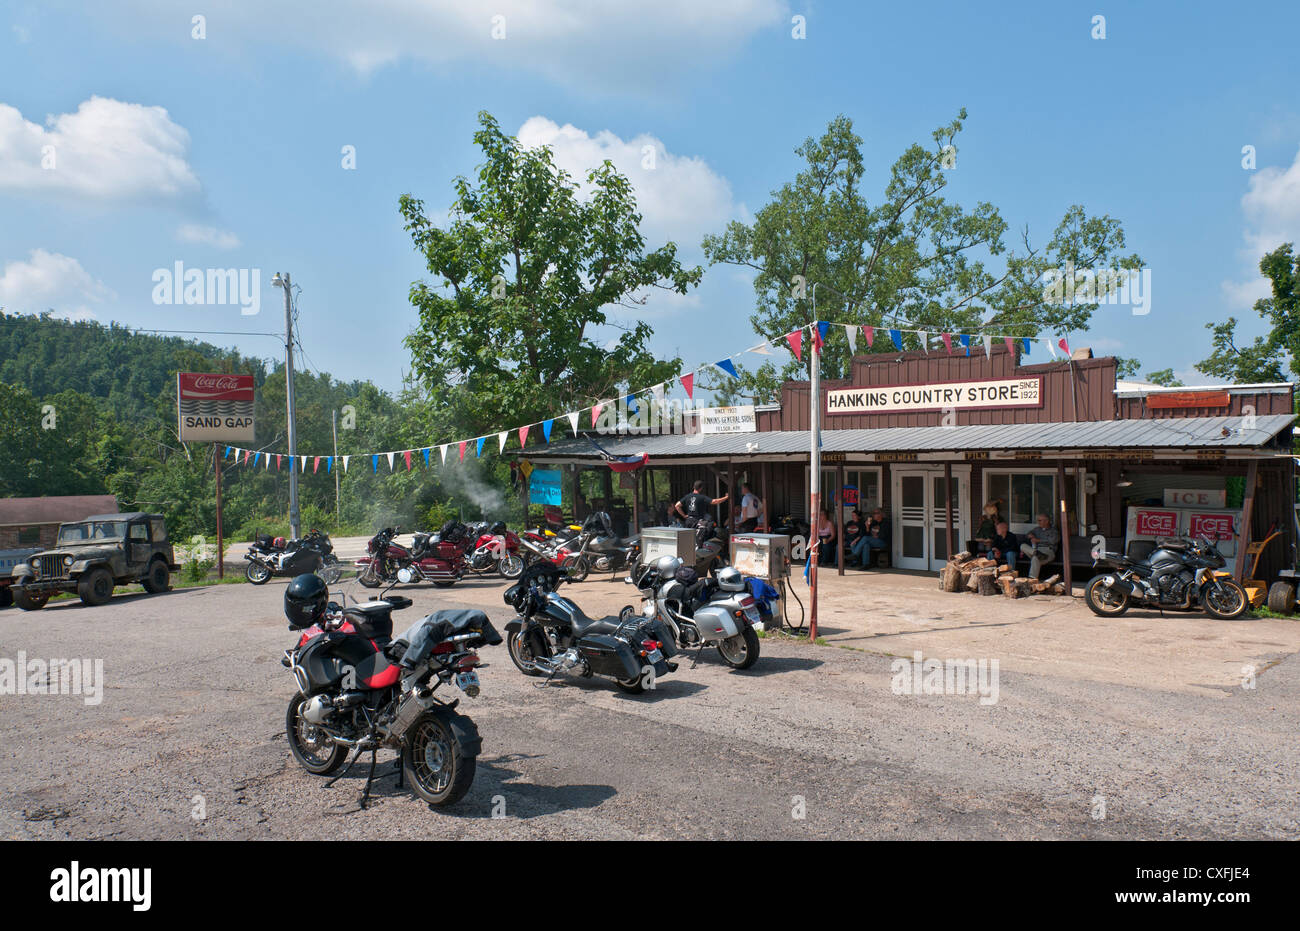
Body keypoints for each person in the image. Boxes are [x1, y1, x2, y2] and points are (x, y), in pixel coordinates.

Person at [1019, 513, 1060, 579]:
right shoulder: (1037, 529)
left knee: (1035, 558)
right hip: (1036, 550)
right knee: (1022, 546)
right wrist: (1030, 535)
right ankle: (1036, 553)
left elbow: (1053, 541)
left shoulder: (1053, 530)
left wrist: (1038, 540)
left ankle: (1032, 579)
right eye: (1038, 520)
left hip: (1048, 551)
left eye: (1040, 520)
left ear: (1046, 521)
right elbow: (1027, 535)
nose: (1038, 522)